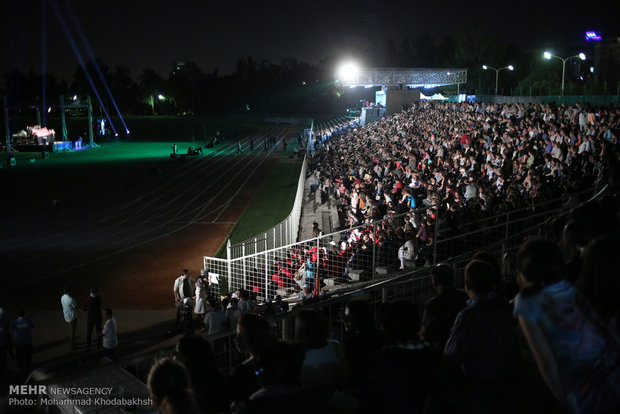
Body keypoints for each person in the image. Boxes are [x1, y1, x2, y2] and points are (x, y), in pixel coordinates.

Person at [515, 238, 620, 413]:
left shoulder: (526, 302)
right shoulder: (570, 289)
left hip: (585, 389)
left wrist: (566, 401)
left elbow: (547, 364)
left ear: (523, 272)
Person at [444, 259, 517, 383]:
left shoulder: (468, 316)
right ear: (492, 284)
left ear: (467, 286)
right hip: (509, 378)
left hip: (480, 384)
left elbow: (450, 356)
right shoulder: (505, 305)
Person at [420, 263, 469, 350]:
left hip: (440, 349)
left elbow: (424, 332)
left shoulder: (432, 305)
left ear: (434, 281)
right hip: (463, 344)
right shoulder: (464, 296)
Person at [61, 286, 78, 350]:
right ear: (68, 291)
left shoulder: (62, 297)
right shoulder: (71, 299)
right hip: (72, 317)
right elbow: (75, 307)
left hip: (66, 316)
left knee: (71, 330)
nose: (71, 291)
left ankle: (72, 344)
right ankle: (72, 346)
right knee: (72, 332)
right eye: (71, 290)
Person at [0, 308, 10, 374]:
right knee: (3, 359)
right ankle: (3, 371)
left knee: (3, 359)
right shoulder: (4, 322)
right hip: (2, 344)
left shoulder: (4, 321)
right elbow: (7, 334)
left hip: (2, 344)